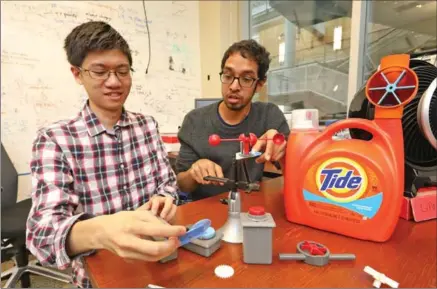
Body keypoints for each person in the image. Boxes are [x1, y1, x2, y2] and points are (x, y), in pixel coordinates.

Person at [25, 21, 186, 288]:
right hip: (99, 276)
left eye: (122, 71)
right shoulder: (56, 139)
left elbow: (168, 184)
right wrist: (102, 232)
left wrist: (164, 198)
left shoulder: (147, 125)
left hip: (158, 262)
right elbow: (41, 236)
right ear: (77, 74)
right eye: (99, 71)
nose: (114, 82)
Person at [176, 39, 290, 201]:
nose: (234, 86)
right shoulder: (194, 121)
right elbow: (182, 184)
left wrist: (279, 143)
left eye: (246, 79)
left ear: (260, 84)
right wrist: (193, 172)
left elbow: (295, 165)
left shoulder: (269, 115)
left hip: (249, 206)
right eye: (228, 75)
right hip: (205, 212)